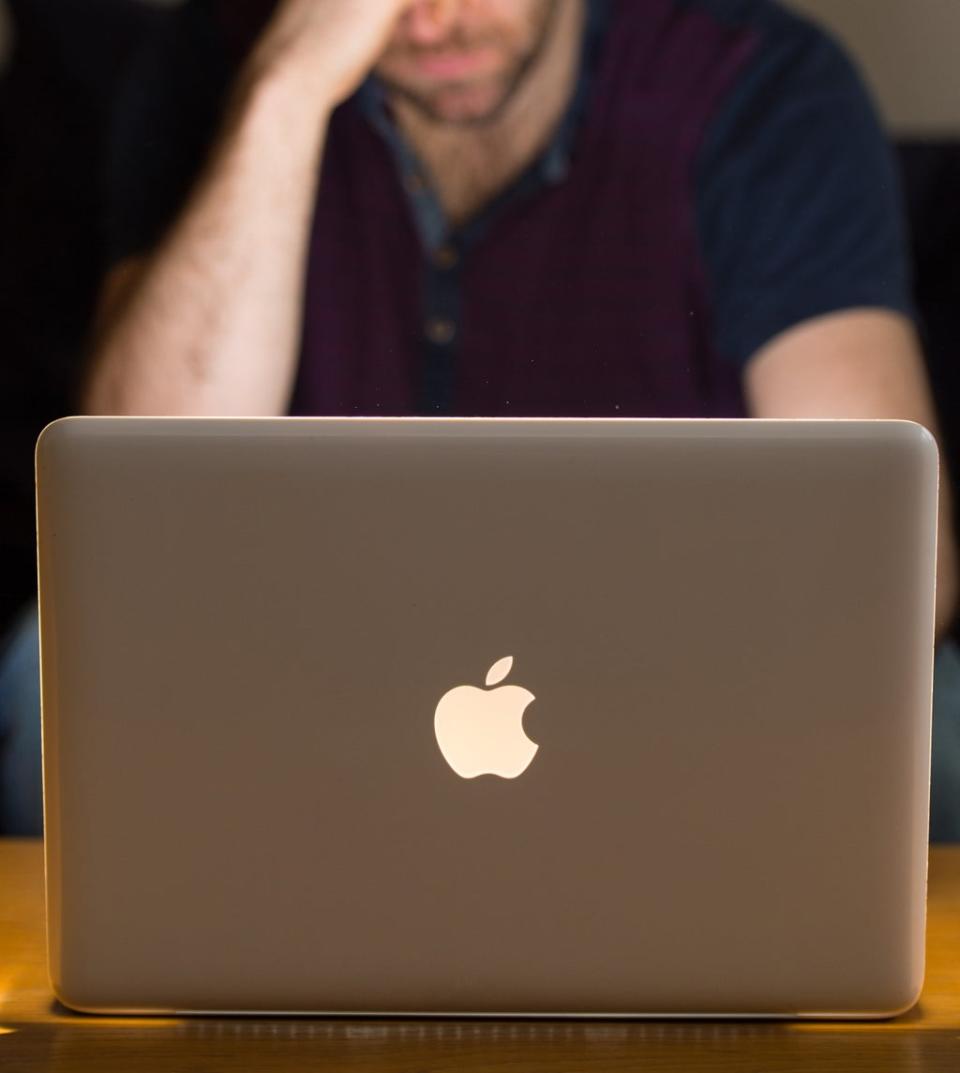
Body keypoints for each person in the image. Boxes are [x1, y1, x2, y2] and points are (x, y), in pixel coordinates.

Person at [2, 0, 959, 835]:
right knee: (46, 681)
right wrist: (286, 91)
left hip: (686, 684)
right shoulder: (212, 67)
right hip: (301, 678)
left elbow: (894, 575)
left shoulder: (761, 86)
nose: (429, 20)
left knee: (932, 732)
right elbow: (131, 533)